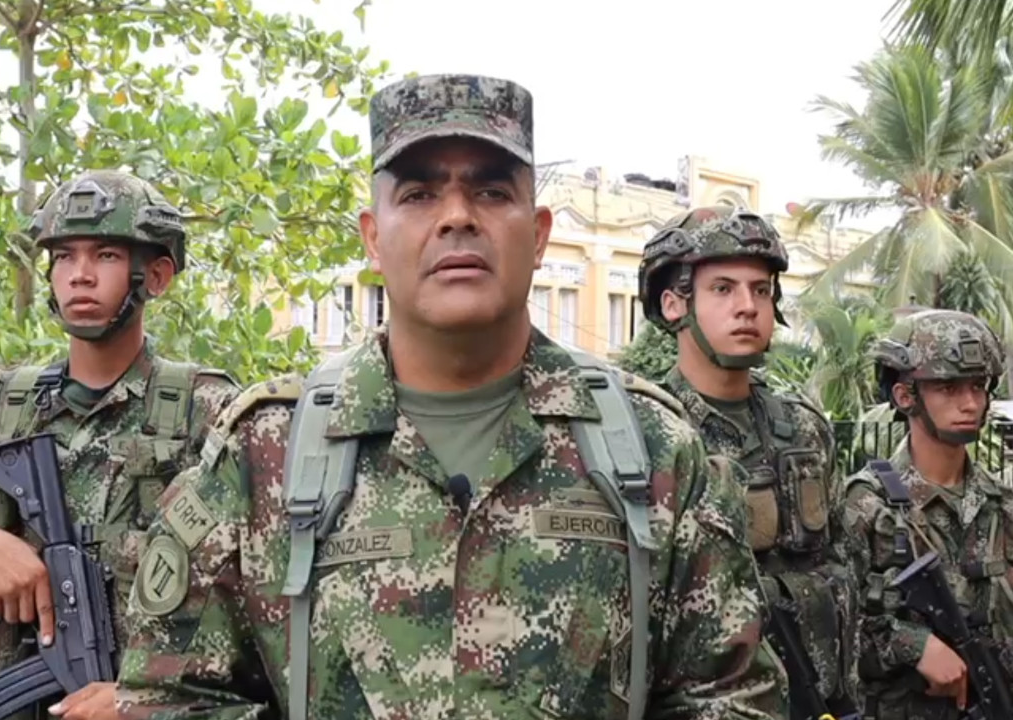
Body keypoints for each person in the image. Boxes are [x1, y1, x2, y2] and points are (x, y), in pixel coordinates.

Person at [115, 73, 785, 720]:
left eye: (492, 192)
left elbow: (732, 697)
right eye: (419, 195)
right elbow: (168, 696)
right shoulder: (264, 453)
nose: (457, 217)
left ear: (541, 233)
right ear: (373, 239)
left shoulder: (650, 448)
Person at [0, 170, 240, 720]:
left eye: (106, 256)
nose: (81, 276)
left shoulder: (208, 410)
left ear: (158, 275)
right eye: (65, 257)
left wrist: (145, 700)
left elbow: (255, 605)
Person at [637, 207, 860, 718]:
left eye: (761, 290)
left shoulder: (804, 426)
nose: (748, 307)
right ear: (674, 305)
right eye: (723, 289)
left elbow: (846, 562)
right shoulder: (646, 435)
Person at [839, 309, 1013, 718]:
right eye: (948, 387)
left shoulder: (1002, 505)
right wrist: (912, 646)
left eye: (977, 386)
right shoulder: (867, 504)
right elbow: (828, 633)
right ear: (904, 396)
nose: (970, 402)